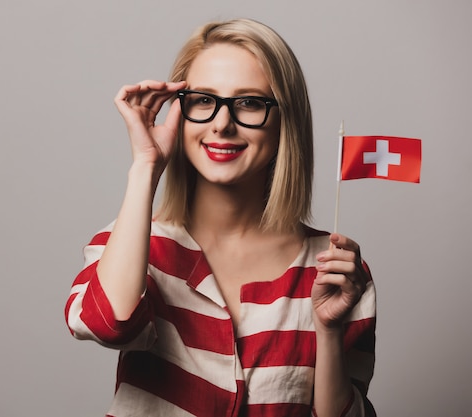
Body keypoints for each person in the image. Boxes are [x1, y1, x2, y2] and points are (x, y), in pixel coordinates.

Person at [65, 18, 376, 417]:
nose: (222, 124)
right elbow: (106, 324)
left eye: (249, 103)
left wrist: (329, 333)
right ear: (179, 110)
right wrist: (146, 165)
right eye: (203, 100)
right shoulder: (134, 242)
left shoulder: (335, 270)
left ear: (285, 121)